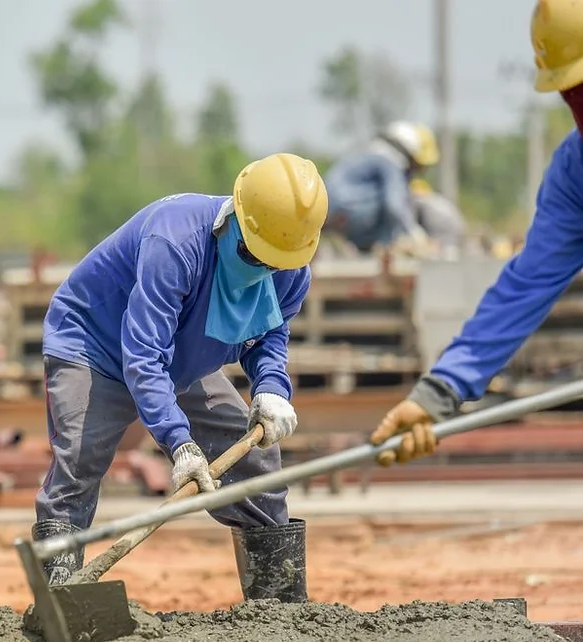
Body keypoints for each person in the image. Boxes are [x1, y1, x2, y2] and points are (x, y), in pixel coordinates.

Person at [31, 153, 329, 603]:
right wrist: (179, 442)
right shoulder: (175, 240)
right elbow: (144, 354)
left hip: (181, 359)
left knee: (255, 465)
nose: (263, 268)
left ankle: (279, 607)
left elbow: (270, 336)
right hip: (95, 345)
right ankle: (58, 601)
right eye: (254, 254)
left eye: (275, 262)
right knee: (79, 460)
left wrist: (270, 387)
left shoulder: (289, 268)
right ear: (235, 217)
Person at [369, 0, 583, 466]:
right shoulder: (575, 172)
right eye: (571, 93)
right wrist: (438, 392)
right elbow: (524, 287)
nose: (579, 106)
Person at [323, 121, 440, 259]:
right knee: (396, 200)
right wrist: (415, 234)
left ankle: (368, 251)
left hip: (328, 211)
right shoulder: (389, 163)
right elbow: (394, 205)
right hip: (348, 212)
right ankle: (380, 248)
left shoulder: (367, 157)